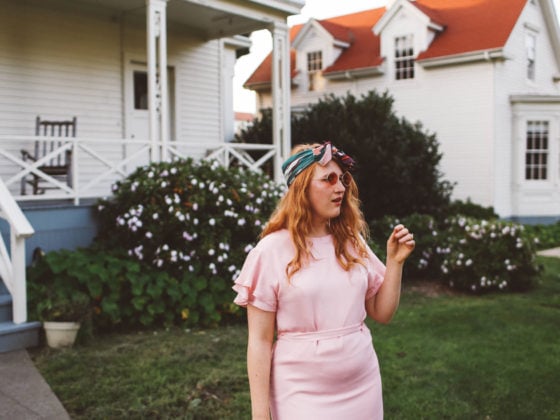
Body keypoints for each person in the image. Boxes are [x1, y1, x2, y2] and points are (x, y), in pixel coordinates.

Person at [233, 141, 415, 420]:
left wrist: (395, 262)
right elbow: (258, 341)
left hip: (362, 387)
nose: (340, 188)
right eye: (328, 179)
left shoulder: (352, 243)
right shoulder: (270, 251)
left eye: (342, 179)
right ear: (301, 188)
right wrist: (260, 414)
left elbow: (383, 312)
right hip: (301, 393)